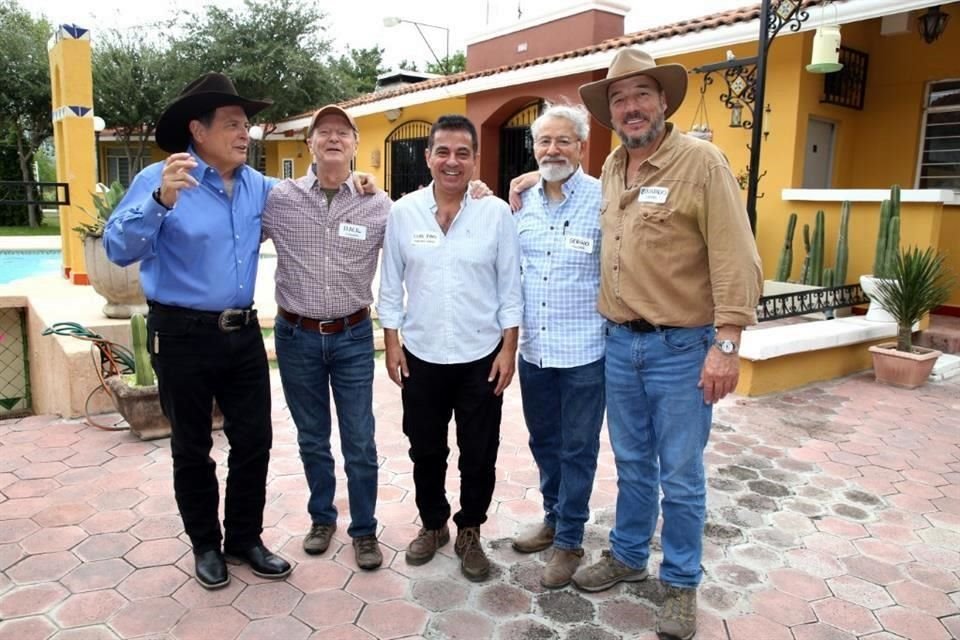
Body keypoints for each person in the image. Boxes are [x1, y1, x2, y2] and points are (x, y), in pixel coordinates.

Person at [567, 48, 763, 640]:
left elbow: (737, 256)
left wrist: (725, 343)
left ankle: (680, 582)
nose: (631, 108)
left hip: (682, 349)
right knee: (631, 463)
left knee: (680, 474)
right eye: (620, 100)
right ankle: (628, 556)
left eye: (642, 96)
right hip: (620, 345)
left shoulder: (701, 163)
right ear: (611, 113)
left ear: (663, 102)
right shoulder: (610, 168)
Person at [103, 72, 292, 589]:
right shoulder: (161, 179)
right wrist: (160, 201)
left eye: (247, 125)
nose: (245, 134)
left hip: (244, 333)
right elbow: (118, 248)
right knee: (191, 447)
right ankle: (206, 546)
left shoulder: (259, 187)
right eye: (233, 124)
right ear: (198, 130)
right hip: (181, 335)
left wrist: (355, 181)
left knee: (254, 440)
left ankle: (246, 538)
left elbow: (314, 198)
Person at [377, 115, 523, 582]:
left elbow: (510, 289)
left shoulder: (495, 213)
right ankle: (434, 523)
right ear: (428, 157)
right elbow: (389, 286)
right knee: (425, 448)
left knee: (479, 451)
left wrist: (508, 349)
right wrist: (392, 342)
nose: (452, 161)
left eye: (463, 153)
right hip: (420, 355)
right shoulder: (404, 213)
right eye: (443, 152)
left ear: (475, 159)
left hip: (481, 356)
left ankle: (470, 529)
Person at [261, 105, 391, 570]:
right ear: (309, 144)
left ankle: (365, 530)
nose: (333, 138)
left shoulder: (379, 204)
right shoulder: (279, 199)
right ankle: (322, 517)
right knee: (312, 436)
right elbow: (235, 236)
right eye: (324, 132)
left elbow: (416, 244)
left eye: (343, 132)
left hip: (353, 335)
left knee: (359, 438)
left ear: (355, 144)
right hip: (296, 336)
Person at [509, 104, 606, 589]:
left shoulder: (603, 201)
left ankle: (570, 539)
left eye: (563, 141)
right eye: (544, 142)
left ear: (582, 148)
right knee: (544, 441)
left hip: (586, 352)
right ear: (534, 149)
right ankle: (552, 517)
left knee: (578, 448)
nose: (553, 150)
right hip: (535, 353)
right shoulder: (521, 204)